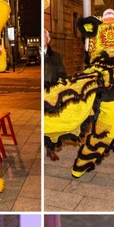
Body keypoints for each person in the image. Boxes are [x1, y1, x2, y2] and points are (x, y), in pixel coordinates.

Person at [44, 29, 67, 161]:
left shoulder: (55, 56)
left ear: (48, 39)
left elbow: (62, 73)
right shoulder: (36, 54)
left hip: (51, 93)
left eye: (44, 36)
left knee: (50, 122)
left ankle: (50, 150)